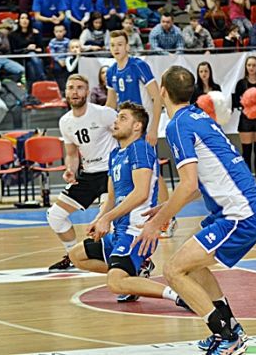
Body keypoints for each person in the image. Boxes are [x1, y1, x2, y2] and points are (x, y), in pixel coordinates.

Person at [133, 65, 256, 355]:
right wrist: (165, 207)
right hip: (240, 209)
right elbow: (197, 184)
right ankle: (231, 328)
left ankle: (227, 337)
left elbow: (188, 183)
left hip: (239, 214)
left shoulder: (177, 125)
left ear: (163, 92)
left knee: (173, 270)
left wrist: (157, 223)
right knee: (191, 265)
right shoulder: (200, 116)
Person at [69, 101, 186, 305]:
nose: (116, 122)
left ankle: (180, 296)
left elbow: (140, 193)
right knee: (76, 255)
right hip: (119, 231)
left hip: (136, 232)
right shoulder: (115, 154)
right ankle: (135, 273)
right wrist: (99, 219)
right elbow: (111, 196)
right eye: (117, 117)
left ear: (137, 126)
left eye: (123, 118)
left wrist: (107, 218)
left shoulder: (140, 148)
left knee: (115, 283)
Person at [47, 74, 118, 271]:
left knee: (107, 222)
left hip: (110, 172)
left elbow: (126, 135)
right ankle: (72, 255)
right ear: (66, 92)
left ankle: (123, 261)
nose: (75, 92)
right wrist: (70, 170)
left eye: (79, 87)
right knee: (55, 216)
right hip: (88, 175)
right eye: (71, 88)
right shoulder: (65, 121)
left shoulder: (104, 113)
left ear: (87, 91)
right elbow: (71, 154)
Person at [105, 30, 173, 235]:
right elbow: (110, 104)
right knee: (134, 175)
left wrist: (153, 128)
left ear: (127, 46)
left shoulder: (138, 66)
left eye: (120, 44)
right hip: (126, 129)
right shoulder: (111, 72)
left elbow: (157, 97)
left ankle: (168, 218)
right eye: (113, 45)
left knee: (154, 174)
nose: (116, 48)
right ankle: (133, 218)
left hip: (142, 128)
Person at [233, 56, 256, 187]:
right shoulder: (241, 83)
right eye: (249, 65)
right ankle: (247, 180)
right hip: (246, 119)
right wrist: (246, 103)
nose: (251, 68)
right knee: (246, 152)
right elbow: (236, 102)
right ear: (246, 67)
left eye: (254, 65)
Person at [9, 12, 46, 85]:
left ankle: (34, 86)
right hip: (21, 58)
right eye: (22, 18)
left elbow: (41, 49)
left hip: (33, 59)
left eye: (26, 18)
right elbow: (13, 51)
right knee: (31, 54)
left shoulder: (35, 33)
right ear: (19, 20)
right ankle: (43, 78)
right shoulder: (13, 35)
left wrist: (35, 49)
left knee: (31, 65)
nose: (24, 20)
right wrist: (27, 49)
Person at [48, 24, 70, 88]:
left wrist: (65, 60)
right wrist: (59, 60)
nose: (58, 33)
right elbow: (52, 53)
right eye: (57, 32)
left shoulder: (67, 41)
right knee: (57, 69)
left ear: (64, 32)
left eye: (60, 31)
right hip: (56, 60)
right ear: (54, 32)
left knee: (69, 69)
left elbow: (69, 51)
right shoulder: (52, 42)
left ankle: (68, 84)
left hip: (66, 59)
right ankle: (61, 87)